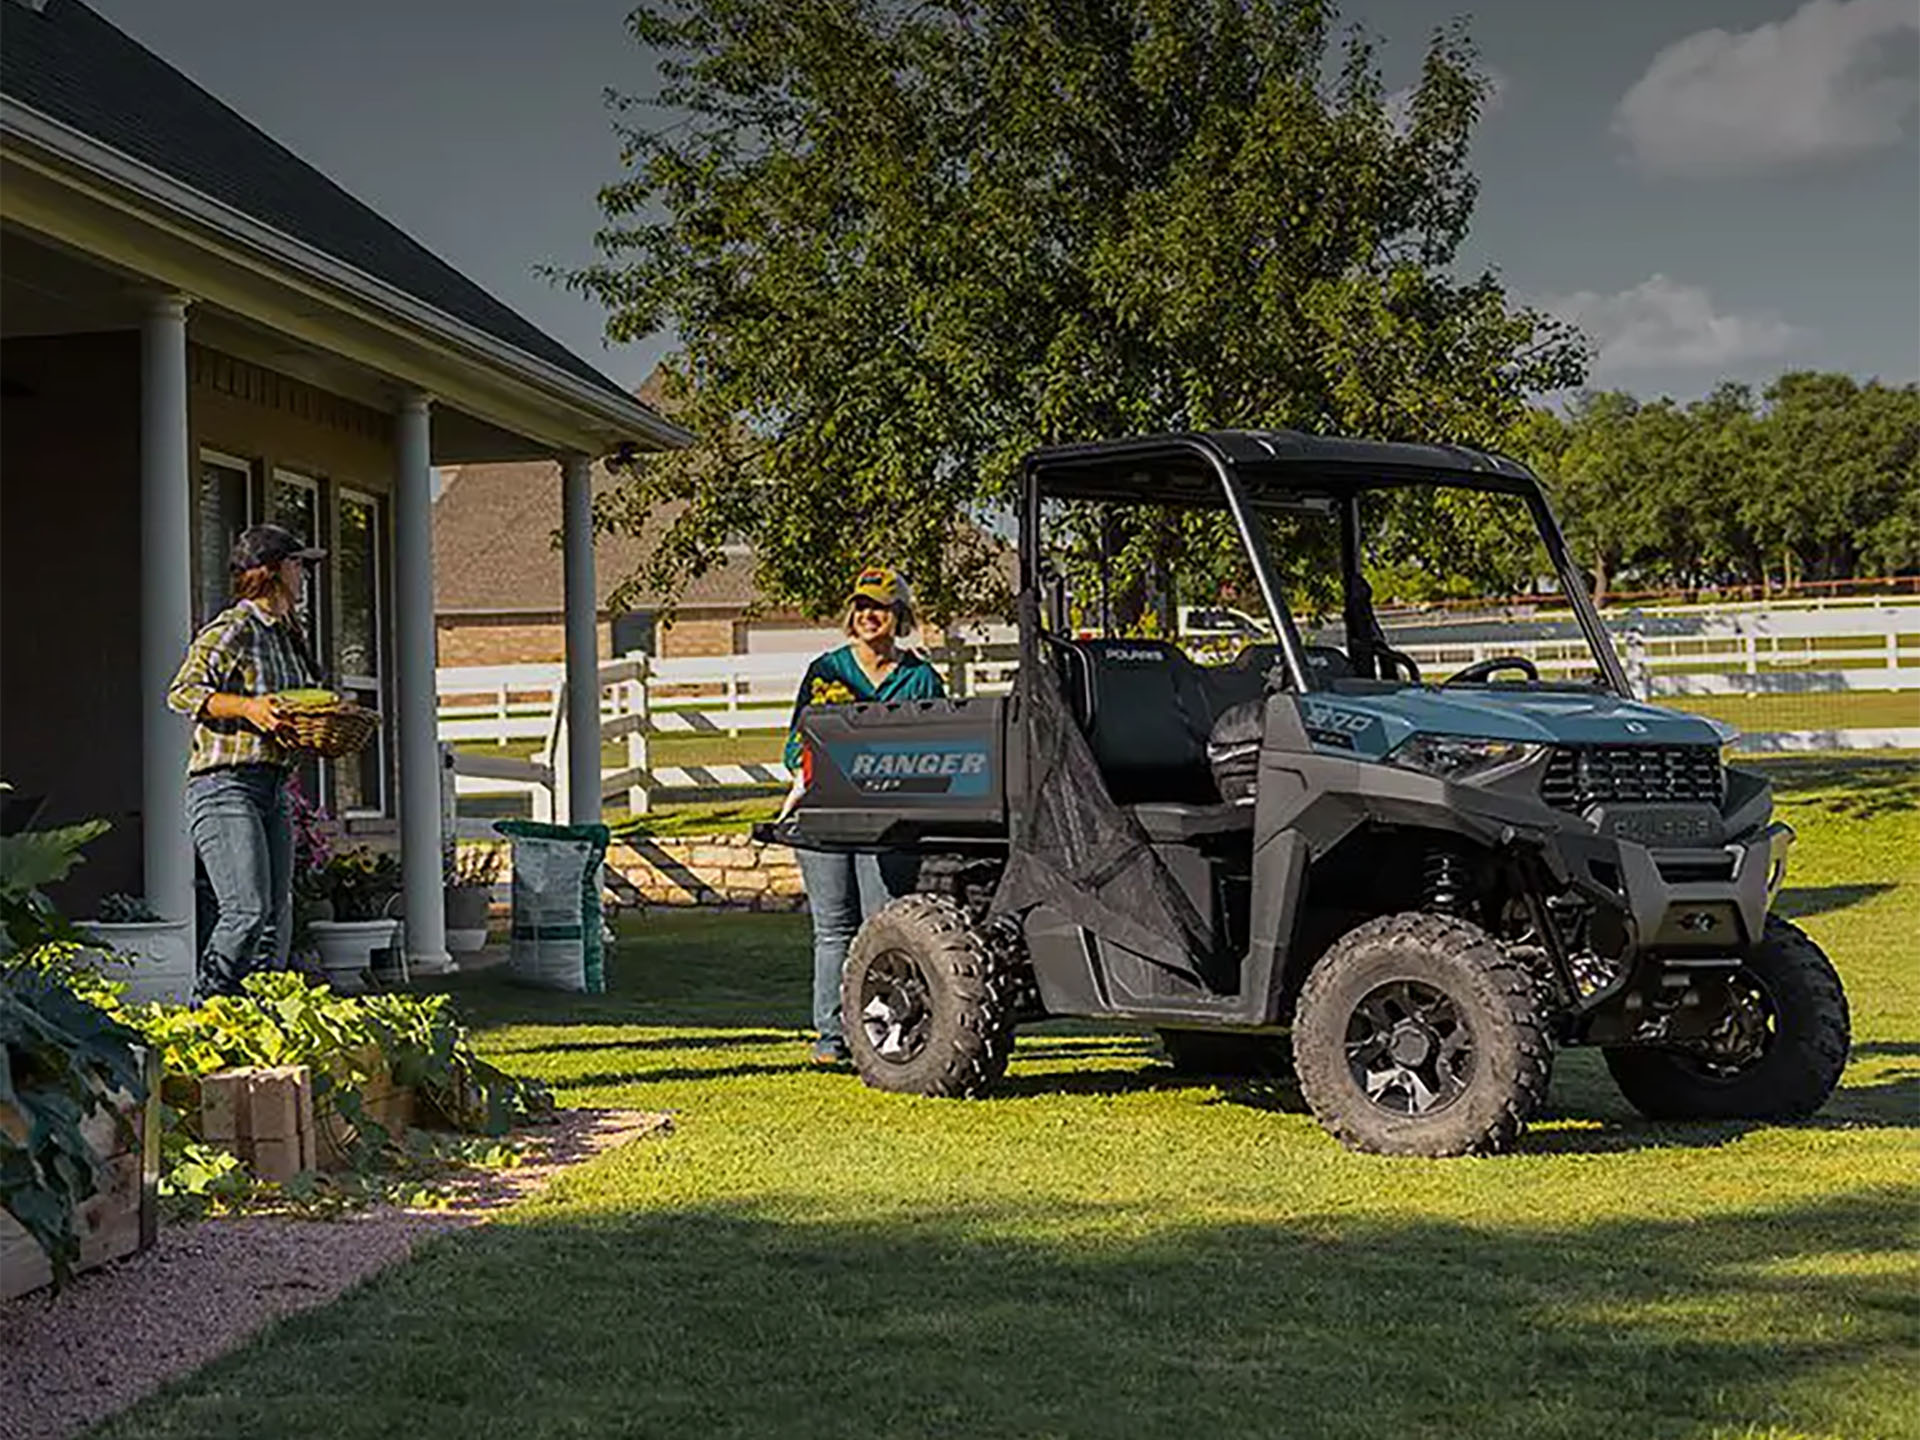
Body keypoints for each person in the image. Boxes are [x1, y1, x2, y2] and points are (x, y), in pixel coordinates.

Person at [780, 566, 945, 1064]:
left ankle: (878, 1035)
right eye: (862, 606)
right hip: (825, 815)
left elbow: (938, 742)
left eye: (881, 607)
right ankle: (832, 1038)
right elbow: (795, 743)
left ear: (900, 616)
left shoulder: (920, 677)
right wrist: (804, 770)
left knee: (882, 926)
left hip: (889, 821)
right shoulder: (826, 671)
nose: (869, 615)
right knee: (833, 930)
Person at [166, 523, 325, 998]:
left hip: (274, 786)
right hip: (225, 786)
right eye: (299, 565)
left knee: (276, 917)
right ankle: (204, 1010)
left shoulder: (287, 636)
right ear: (274, 571)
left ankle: (258, 1021)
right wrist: (249, 709)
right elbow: (182, 691)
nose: (305, 576)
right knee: (246, 910)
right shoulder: (235, 627)